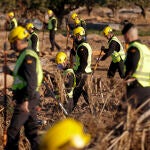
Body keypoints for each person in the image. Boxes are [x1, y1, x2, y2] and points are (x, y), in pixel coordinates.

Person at [3, 26, 43, 150]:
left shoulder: (27, 57)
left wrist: (25, 101)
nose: (12, 46)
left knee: (12, 132)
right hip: (29, 97)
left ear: (18, 40)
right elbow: (22, 77)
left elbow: (31, 81)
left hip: (27, 99)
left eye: (13, 43)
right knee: (32, 133)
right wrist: (9, 72)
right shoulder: (24, 54)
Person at [122, 23, 150, 108]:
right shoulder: (145, 48)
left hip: (136, 87)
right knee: (141, 118)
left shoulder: (134, 47)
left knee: (121, 114)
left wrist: (127, 78)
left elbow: (132, 64)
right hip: (147, 89)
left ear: (127, 35)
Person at [71, 26, 92, 112]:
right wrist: (74, 53)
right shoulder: (84, 45)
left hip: (82, 74)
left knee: (76, 93)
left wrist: (78, 73)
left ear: (79, 36)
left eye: (75, 36)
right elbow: (82, 58)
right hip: (86, 73)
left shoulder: (82, 48)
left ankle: (68, 111)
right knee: (84, 93)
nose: (74, 38)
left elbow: (84, 62)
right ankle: (93, 108)